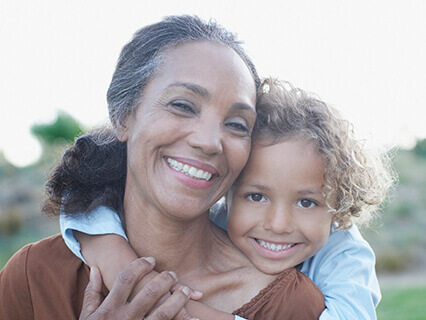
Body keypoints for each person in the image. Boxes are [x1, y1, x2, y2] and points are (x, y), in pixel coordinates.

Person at [0, 16, 325, 320]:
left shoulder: (292, 305)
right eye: (182, 106)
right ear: (123, 116)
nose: (210, 142)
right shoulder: (34, 275)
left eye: (237, 124)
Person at [61, 79, 393, 319]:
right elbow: (87, 197)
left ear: (338, 208)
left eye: (306, 202)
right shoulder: (215, 219)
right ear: (227, 188)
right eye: (256, 196)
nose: (277, 224)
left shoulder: (344, 252)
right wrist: (107, 248)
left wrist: (173, 308)